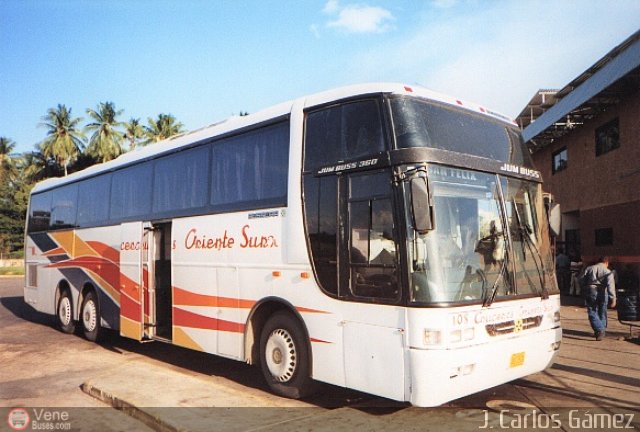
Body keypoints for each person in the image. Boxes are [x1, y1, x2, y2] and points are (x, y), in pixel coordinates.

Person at [581, 257, 616, 341]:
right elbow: (610, 286)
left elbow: (581, 279)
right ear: (606, 263)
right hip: (603, 292)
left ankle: (599, 330)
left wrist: (584, 288)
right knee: (602, 311)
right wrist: (613, 298)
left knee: (592, 311)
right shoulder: (608, 272)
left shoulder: (589, 268)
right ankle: (601, 329)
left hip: (590, 290)